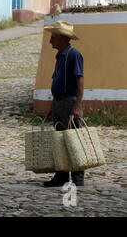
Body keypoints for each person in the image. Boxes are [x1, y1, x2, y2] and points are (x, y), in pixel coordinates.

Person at [44, 21, 85, 187]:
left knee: (73, 140)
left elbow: (79, 80)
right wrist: (51, 107)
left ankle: (77, 178)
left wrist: (77, 106)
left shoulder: (73, 55)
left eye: (53, 37)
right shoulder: (60, 56)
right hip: (59, 103)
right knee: (60, 141)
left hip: (69, 103)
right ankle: (61, 176)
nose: (50, 41)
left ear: (62, 38)